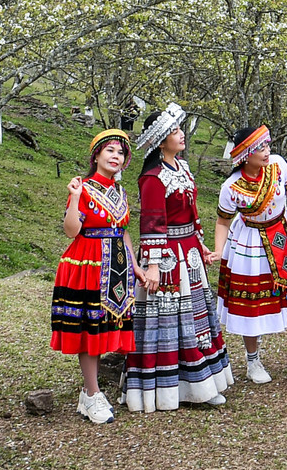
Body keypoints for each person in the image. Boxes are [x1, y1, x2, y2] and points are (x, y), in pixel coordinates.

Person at [124, 103, 235, 411]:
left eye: (179, 128)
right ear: (161, 141)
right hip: (167, 257)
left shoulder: (182, 169)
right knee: (174, 320)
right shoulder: (152, 178)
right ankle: (179, 387)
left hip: (189, 253)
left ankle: (202, 381)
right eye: (174, 131)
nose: (181, 134)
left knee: (198, 317)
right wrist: (155, 267)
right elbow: (151, 224)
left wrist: (201, 247)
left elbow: (192, 214)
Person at [51, 128, 137, 424]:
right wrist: (74, 198)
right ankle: (91, 393)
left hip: (116, 266)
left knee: (101, 329)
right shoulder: (83, 187)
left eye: (121, 153)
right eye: (110, 150)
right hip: (87, 263)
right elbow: (72, 230)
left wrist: (135, 267)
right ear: (96, 155)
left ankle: (90, 394)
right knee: (89, 331)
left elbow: (122, 233)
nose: (116, 156)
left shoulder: (120, 192)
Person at [212, 122, 287, 383]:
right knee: (251, 302)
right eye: (259, 148)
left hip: (280, 236)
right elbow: (222, 221)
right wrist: (218, 251)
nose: (266, 152)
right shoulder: (231, 187)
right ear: (245, 155)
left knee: (276, 294)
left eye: (266, 145)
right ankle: (252, 359)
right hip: (250, 242)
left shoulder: (278, 166)